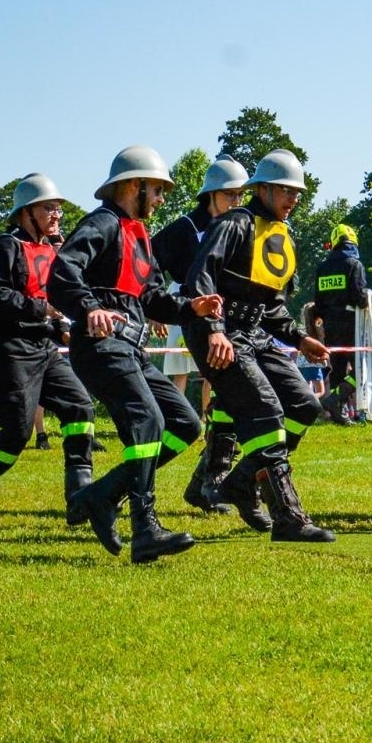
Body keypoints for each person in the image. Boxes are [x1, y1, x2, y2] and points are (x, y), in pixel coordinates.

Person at [47, 146, 222, 564]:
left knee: (184, 423)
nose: (161, 199)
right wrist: (90, 308)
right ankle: (145, 529)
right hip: (102, 348)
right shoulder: (102, 224)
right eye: (157, 190)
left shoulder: (138, 235)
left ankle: (102, 496)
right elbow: (61, 274)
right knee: (149, 422)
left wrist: (188, 309)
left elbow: (149, 295)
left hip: (131, 348)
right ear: (132, 185)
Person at [184, 149, 334, 543]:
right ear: (262, 189)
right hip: (219, 334)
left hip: (255, 334)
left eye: (297, 193)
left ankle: (240, 480)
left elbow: (271, 308)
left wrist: (300, 339)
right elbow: (200, 279)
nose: (293, 199)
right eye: (285, 190)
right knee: (266, 413)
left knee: (304, 406)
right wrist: (215, 329)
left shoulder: (281, 237)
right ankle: (288, 517)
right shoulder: (234, 224)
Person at [0, 173, 97, 527]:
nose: (57, 215)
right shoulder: (6, 246)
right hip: (9, 349)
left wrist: (63, 329)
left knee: (80, 408)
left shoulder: (53, 250)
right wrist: (39, 310)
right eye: (49, 208)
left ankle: (81, 498)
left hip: (43, 346)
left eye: (58, 209)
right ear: (26, 212)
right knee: (16, 433)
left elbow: (54, 299)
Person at [151, 154, 249, 514]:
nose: (237, 204)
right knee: (230, 398)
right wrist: (157, 308)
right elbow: (148, 266)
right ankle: (206, 483)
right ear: (211, 195)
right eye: (230, 196)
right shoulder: (182, 230)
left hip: (228, 327)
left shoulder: (239, 227)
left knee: (230, 402)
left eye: (241, 197)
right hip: (191, 321)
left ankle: (204, 483)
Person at [310, 224, 369, 425]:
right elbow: (361, 298)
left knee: (338, 368)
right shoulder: (354, 265)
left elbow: (317, 303)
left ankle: (338, 415)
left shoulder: (322, 268)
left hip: (330, 326)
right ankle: (335, 400)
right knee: (362, 369)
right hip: (352, 324)